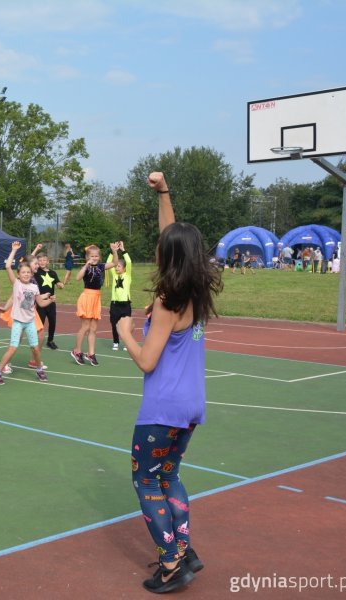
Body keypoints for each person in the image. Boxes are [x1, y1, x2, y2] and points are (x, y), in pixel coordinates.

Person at [116, 172, 222, 593]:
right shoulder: (194, 290)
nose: (157, 248)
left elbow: (147, 360)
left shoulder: (167, 301)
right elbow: (172, 235)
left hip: (162, 408)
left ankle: (171, 563)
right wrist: (164, 193)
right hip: (191, 406)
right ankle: (185, 549)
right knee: (170, 476)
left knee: (146, 481)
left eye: (161, 248)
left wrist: (125, 331)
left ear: (169, 256)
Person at [0, 241, 52, 385]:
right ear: (18, 274)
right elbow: (7, 266)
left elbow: (41, 303)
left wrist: (50, 300)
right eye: (23, 272)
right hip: (18, 322)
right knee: (13, 347)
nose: (26, 274)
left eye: (28, 272)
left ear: (31, 274)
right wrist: (13, 250)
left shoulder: (34, 287)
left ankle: (39, 370)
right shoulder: (17, 284)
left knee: (35, 349)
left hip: (30, 322)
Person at [70, 242, 121, 366]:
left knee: (93, 328)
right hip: (87, 297)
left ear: (99, 257)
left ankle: (91, 353)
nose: (94, 258)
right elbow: (77, 278)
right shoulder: (86, 267)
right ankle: (77, 351)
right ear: (87, 257)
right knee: (85, 326)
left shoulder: (102, 266)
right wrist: (86, 265)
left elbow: (114, 263)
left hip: (96, 298)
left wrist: (114, 251)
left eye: (96, 256)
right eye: (91, 256)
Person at [31, 243, 64, 350]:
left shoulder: (53, 273)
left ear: (48, 261)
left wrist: (60, 285)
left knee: (53, 322)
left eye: (44, 260)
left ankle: (50, 340)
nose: (42, 262)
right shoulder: (36, 272)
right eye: (39, 260)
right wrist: (36, 249)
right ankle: (36, 341)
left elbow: (58, 283)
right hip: (40, 301)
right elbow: (30, 260)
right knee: (40, 323)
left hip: (51, 302)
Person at [106, 240, 132, 351]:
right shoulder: (114, 274)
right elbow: (108, 263)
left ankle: (127, 343)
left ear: (124, 268)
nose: (117, 268)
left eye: (119, 266)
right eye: (116, 267)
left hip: (125, 305)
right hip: (115, 304)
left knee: (126, 326)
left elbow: (129, 262)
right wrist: (113, 251)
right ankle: (115, 342)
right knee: (114, 324)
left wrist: (123, 250)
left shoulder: (127, 275)